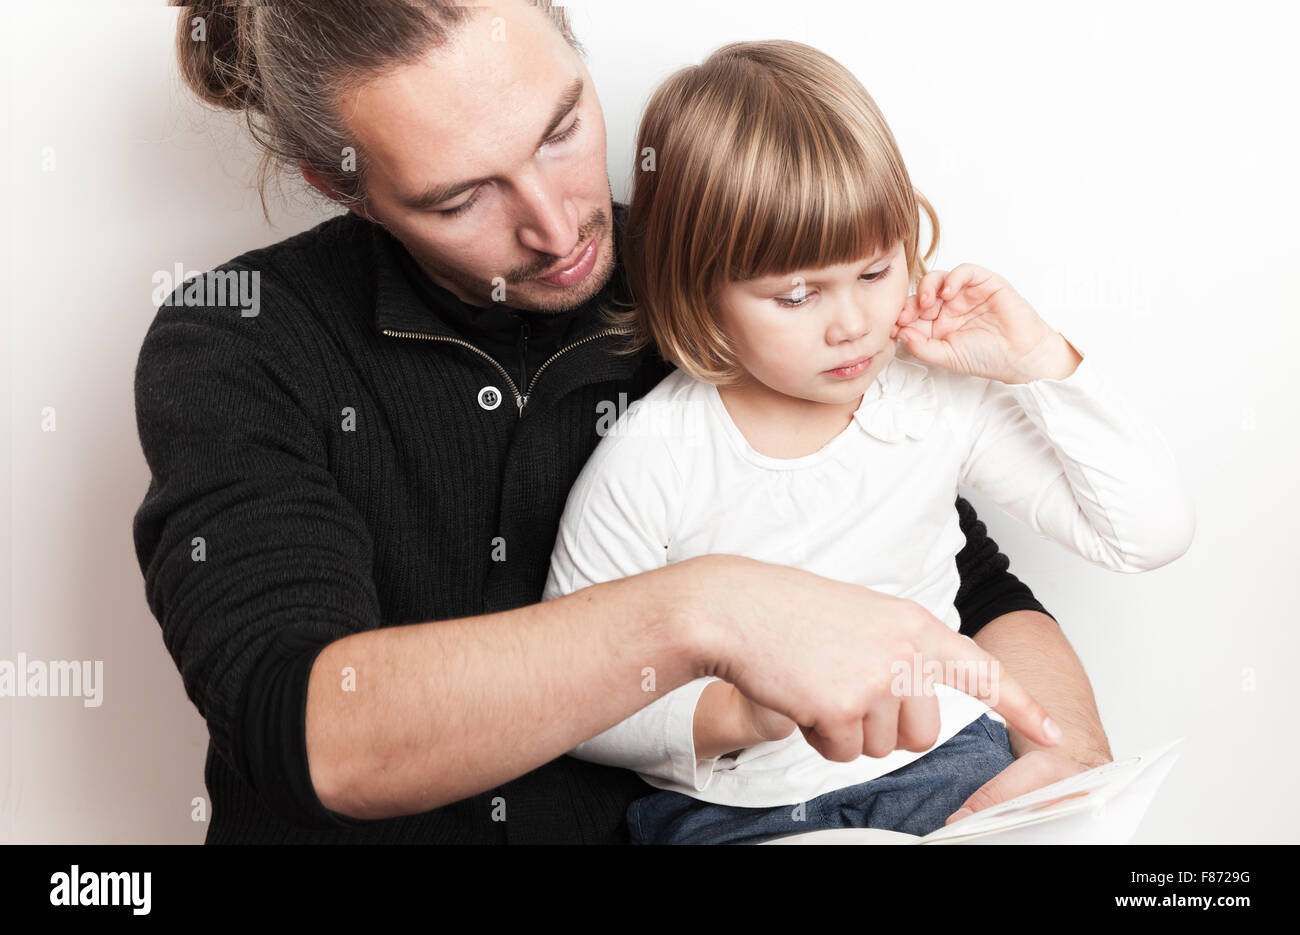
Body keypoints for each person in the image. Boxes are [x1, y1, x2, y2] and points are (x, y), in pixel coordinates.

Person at [134, 0, 1106, 845]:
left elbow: (955, 571)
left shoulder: (729, 275)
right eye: (461, 196)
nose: (558, 229)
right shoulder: (237, 336)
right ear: (336, 180)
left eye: (561, 129)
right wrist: (707, 609)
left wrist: (1063, 767)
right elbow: (312, 725)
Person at [541, 40, 1195, 844]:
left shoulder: (936, 401)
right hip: (739, 812)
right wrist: (742, 709)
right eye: (797, 294)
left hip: (945, 765)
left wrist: (1040, 365)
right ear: (702, 299)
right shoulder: (652, 455)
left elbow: (1148, 534)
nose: (850, 323)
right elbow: (574, 700)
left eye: (876, 272)